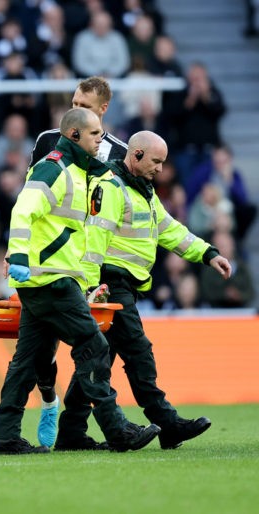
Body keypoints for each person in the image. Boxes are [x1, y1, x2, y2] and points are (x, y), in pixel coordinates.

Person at [0, 108, 161, 455]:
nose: (102, 139)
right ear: (74, 136)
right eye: (96, 134)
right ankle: (117, 430)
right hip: (50, 279)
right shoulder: (54, 167)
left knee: (26, 362)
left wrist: (85, 280)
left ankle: (4, 436)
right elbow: (23, 209)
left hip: (52, 278)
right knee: (94, 346)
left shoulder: (80, 173)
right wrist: (18, 255)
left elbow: (73, 234)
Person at [57, 131, 232, 450]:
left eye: (163, 163)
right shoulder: (111, 187)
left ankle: (70, 431)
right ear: (135, 155)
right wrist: (93, 287)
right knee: (138, 352)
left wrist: (208, 253)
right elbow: (95, 239)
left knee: (99, 359)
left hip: (122, 286)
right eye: (155, 161)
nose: (161, 170)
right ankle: (167, 421)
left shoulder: (144, 191)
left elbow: (169, 230)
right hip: (111, 284)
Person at [28, 76, 129, 449]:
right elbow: (32, 195)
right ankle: (50, 402)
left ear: (103, 110)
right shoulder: (47, 141)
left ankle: (75, 424)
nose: (75, 111)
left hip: (95, 270)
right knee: (44, 348)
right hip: (52, 261)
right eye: (73, 102)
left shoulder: (119, 152)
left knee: (94, 348)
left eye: (84, 106)